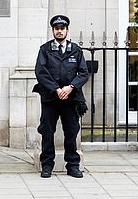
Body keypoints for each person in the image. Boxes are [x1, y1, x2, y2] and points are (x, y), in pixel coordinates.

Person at [33, 15, 88, 179]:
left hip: (71, 99)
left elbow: (83, 73)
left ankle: (72, 166)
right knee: (47, 132)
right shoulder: (45, 49)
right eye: (57, 29)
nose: (59, 31)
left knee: (71, 132)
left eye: (62, 28)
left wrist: (70, 87)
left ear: (67, 30)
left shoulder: (76, 50)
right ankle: (47, 166)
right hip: (51, 98)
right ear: (53, 31)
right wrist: (56, 89)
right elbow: (41, 72)